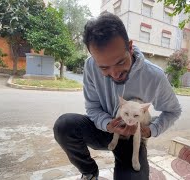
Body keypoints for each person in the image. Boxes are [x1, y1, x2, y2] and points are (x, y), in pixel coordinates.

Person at [53, 12, 182, 180]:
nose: (115, 74)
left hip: (133, 136)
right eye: (104, 68)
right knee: (64, 125)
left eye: (121, 62)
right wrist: (108, 125)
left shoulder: (154, 76)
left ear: (129, 46)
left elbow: (173, 111)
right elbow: (92, 107)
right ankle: (90, 172)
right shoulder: (90, 66)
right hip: (104, 129)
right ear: (93, 58)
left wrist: (151, 130)